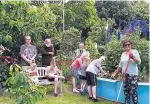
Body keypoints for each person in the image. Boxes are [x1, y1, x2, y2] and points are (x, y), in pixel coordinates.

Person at [112, 40, 141, 104]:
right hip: (124, 75)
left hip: (133, 75)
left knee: (133, 92)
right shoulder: (123, 54)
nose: (127, 46)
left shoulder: (134, 52)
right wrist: (116, 72)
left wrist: (133, 57)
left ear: (131, 45)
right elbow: (120, 65)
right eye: (125, 45)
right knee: (126, 92)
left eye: (129, 44)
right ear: (124, 46)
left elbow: (139, 62)